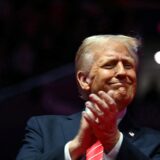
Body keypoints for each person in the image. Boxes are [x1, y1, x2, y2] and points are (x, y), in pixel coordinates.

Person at [16, 34, 160, 160]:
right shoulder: (44, 129)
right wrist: (76, 147)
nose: (123, 72)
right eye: (110, 65)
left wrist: (114, 142)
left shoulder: (155, 142)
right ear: (84, 80)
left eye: (128, 65)